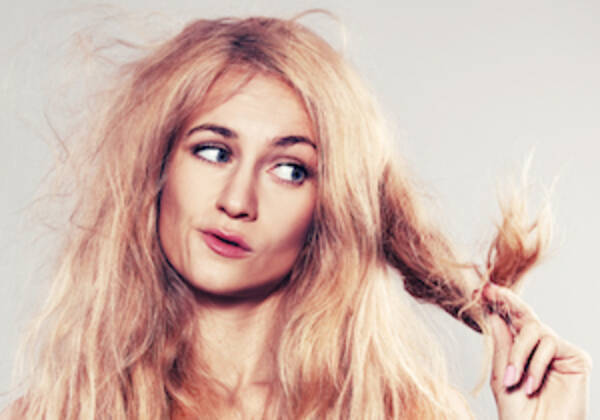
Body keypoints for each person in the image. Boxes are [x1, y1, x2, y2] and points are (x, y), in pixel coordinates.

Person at [1, 13, 591, 420]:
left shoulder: (401, 414)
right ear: (158, 169)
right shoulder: (59, 412)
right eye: (213, 151)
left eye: (289, 169)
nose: (238, 201)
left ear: (329, 207)